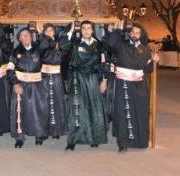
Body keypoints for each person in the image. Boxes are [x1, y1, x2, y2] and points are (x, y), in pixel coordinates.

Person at [105, 19, 158, 152]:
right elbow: (110, 44)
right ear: (129, 33)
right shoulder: (121, 45)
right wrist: (117, 31)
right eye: (133, 32)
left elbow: (148, 68)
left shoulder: (146, 50)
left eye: (137, 32)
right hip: (123, 84)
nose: (135, 34)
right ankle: (123, 143)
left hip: (140, 86)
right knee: (123, 113)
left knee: (140, 112)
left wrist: (155, 60)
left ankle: (141, 141)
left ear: (141, 34)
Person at [60, 20, 109, 150]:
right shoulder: (75, 43)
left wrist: (104, 80)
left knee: (94, 108)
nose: (86, 31)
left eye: (88, 28)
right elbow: (63, 45)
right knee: (76, 108)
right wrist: (70, 31)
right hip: (77, 78)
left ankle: (95, 138)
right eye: (83, 28)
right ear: (80, 30)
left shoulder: (99, 46)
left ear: (92, 30)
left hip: (93, 78)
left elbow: (103, 64)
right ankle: (73, 140)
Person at [7, 27, 48, 148]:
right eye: (22, 36)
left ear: (31, 37)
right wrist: (15, 84)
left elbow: (47, 45)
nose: (25, 38)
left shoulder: (38, 49)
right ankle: (19, 137)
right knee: (19, 111)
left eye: (27, 35)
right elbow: (9, 69)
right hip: (21, 85)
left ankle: (39, 134)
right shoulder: (15, 52)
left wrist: (41, 32)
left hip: (36, 85)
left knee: (38, 110)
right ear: (19, 39)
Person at [37, 23, 67, 140]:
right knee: (43, 103)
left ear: (54, 32)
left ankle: (56, 130)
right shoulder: (42, 42)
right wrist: (41, 36)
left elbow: (64, 48)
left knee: (57, 102)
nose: (49, 32)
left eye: (51, 30)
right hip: (44, 76)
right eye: (47, 30)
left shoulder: (60, 43)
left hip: (56, 77)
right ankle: (42, 131)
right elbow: (43, 49)